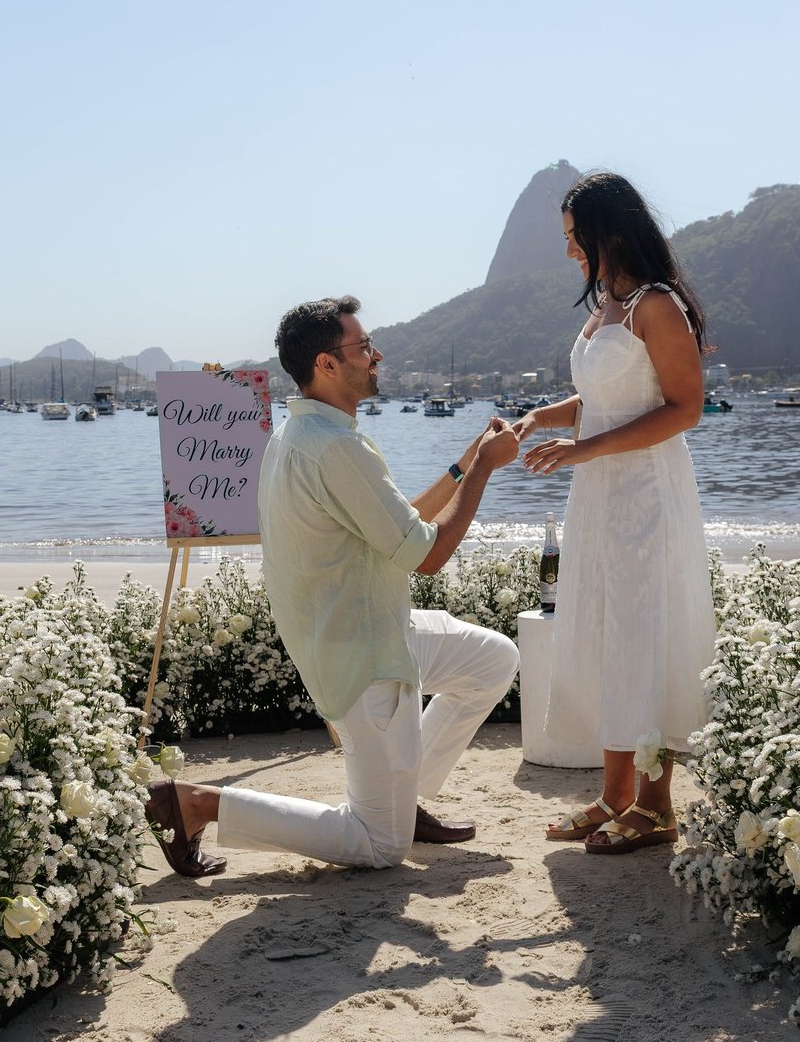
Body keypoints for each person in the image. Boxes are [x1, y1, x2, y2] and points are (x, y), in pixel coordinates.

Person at [145, 295, 522, 875]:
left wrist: (463, 463)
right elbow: (428, 555)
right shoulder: (337, 449)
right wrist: (485, 470)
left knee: (492, 659)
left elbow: (401, 531)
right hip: (363, 654)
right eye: (364, 346)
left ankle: (403, 795)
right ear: (326, 363)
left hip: (370, 626)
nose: (377, 355)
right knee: (379, 846)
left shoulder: (299, 435)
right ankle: (200, 803)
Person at [516, 172, 715, 854]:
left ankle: (657, 806)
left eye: (577, 237)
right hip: (599, 493)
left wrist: (585, 448)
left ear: (610, 231)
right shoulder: (607, 304)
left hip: (647, 495)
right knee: (605, 629)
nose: (571, 251)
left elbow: (684, 408)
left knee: (643, 634)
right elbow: (603, 397)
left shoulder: (656, 307)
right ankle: (613, 795)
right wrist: (544, 417)